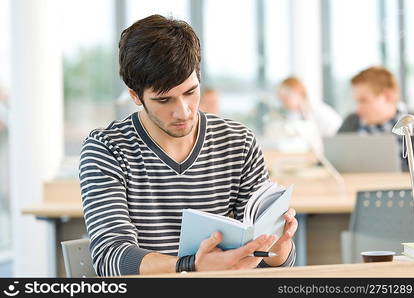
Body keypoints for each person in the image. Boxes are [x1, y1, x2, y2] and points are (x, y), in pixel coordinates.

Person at [79, 15, 297, 277]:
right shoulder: (106, 149)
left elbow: (266, 260)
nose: (182, 112)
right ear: (135, 96)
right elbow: (110, 258)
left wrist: (277, 250)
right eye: (164, 100)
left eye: (190, 92)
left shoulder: (238, 142)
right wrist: (190, 266)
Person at [338, 66, 414, 171]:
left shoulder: (412, 122)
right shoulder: (352, 121)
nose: (358, 109)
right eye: (357, 102)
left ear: (388, 96)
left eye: (363, 101)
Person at [276, 77, 342, 153]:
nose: (283, 103)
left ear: (297, 93)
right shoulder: (297, 114)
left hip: (332, 152)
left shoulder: (320, 111)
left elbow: (334, 139)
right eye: (281, 99)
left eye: (285, 98)